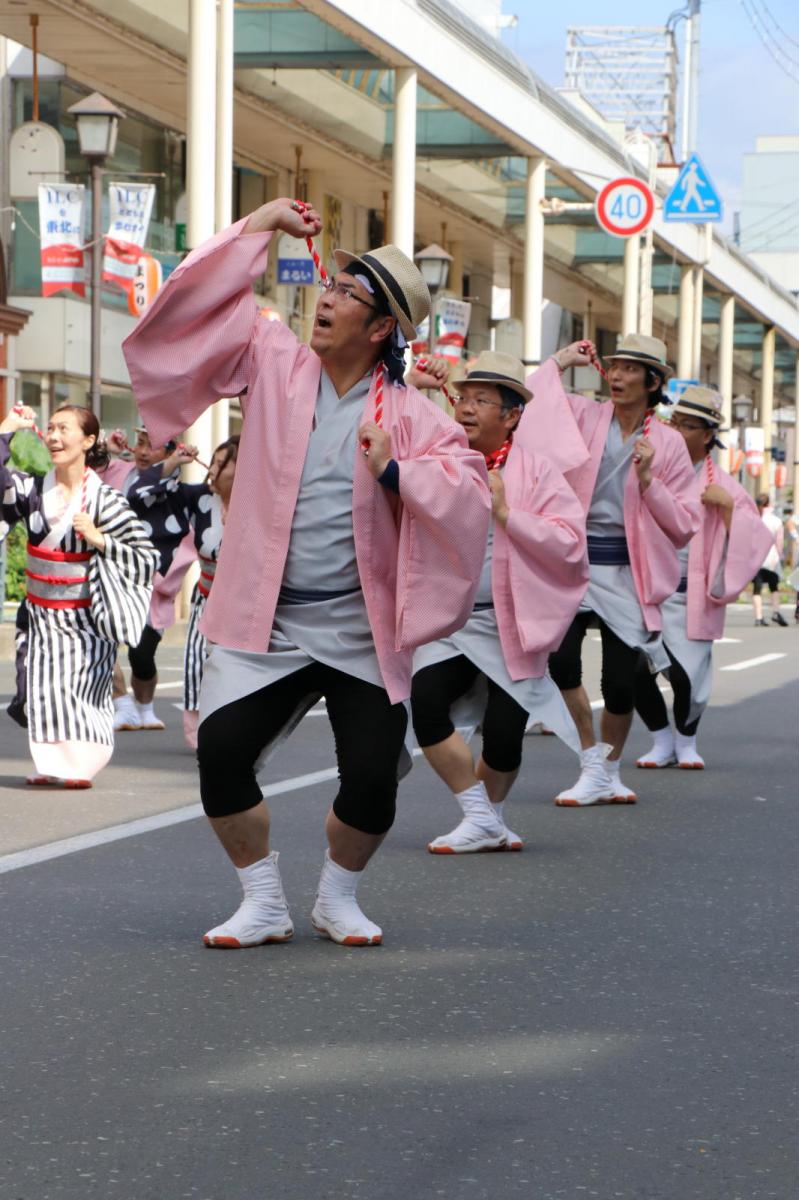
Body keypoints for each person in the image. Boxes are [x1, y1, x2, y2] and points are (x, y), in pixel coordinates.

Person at [123, 197, 490, 948]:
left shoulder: (413, 417)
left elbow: (469, 496)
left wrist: (398, 474)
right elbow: (190, 313)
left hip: (359, 626)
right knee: (221, 752)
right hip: (270, 617)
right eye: (331, 286)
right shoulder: (272, 360)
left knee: (370, 777)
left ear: (382, 327)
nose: (325, 300)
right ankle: (260, 899)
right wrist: (257, 227)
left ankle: (335, 897)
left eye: (349, 295)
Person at [409, 351, 587, 852]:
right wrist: (411, 383)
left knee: (506, 734)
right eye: (463, 397)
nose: (466, 407)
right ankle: (477, 813)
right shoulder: (441, 455)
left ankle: (493, 818)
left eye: (482, 400)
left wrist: (508, 514)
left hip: (514, 622)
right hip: (450, 621)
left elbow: (571, 544)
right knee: (426, 703)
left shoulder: (538, 472)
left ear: (511, 416)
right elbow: (386, 453)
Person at [525, 334, 702, 806]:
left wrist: (648, 482)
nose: (618, 377)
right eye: (615, 366)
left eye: (630, 369)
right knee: (560, 661)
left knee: (620, 682)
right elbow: (531, 406)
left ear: (653, 381)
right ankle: (591, 760)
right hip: (574, 562)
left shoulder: (667, 443)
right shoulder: (584, 416)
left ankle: (609, 771)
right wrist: (562, 361)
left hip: (627, 573)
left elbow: (685, 524)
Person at [0, 404, 157, 787]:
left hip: (85, 614)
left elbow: (144, 555)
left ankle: (80, 766)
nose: (53, 436)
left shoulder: (106, 501)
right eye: (50, 428)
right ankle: (51, 762)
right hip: (38, 612)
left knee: (81, 690)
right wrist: (7, 428)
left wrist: (101, 540)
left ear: (88, 440)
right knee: (36, 688)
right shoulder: (34, 488)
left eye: (64, 429)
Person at [634, 387, 775, 769]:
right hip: (647, 589)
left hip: (690, 594)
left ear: (709, 434)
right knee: (631, 670)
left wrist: (729, 510)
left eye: (688, 425)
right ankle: (661, 738)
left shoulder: (725, 486)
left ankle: (686, 739)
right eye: (674, 422)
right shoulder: (649, 468)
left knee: (686, 677)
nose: (677, 431)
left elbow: (758, 537)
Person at [130, 436, 239, 748]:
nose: (213, 470)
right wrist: (174, 463)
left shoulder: (263, 500)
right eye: (214, 463)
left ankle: (240, 731)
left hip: (246, 602)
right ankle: (201, 734)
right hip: (207, 595)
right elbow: (141, 497)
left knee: (242, 670)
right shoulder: (198, 497)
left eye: (222, 464)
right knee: (196, 665)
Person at [104, 427, 197, 731]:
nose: (142, 452)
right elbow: (84, 469)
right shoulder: (118, 470)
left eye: (151, 446)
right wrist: (108, 448)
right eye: (140, 444)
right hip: (110, 570)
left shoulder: (174, 486)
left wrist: (170, 466)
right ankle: (122, 703)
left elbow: (144, 494)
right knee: (100, 641)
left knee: (142, 654)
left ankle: (144, 706)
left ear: (170, 452)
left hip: (151, 582)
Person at [751, 493, 786, 627]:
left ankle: (758, 617)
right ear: (769, 503)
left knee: (757, 588)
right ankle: (775, 612)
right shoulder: (776, 521)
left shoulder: (754, 519)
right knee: (774, 587)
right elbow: (779, 543)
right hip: (772, 558)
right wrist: (779, 556)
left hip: (756, 558)